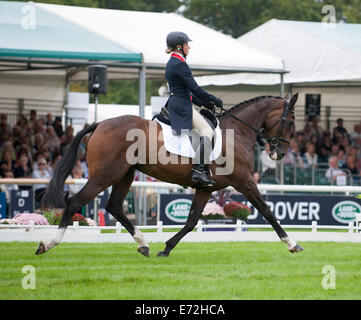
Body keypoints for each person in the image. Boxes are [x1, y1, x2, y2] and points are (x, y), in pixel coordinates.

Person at [164, 31, 223, 187]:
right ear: (179, 46)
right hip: (181, 105)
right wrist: (213, 99)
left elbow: (187, 91)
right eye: (186, 45)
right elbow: (195, 88)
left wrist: (205, 104)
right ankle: (198, 171)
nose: (188, 47)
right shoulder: (180, 64)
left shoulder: (172, 62)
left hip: (178, 100)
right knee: (208, 133)